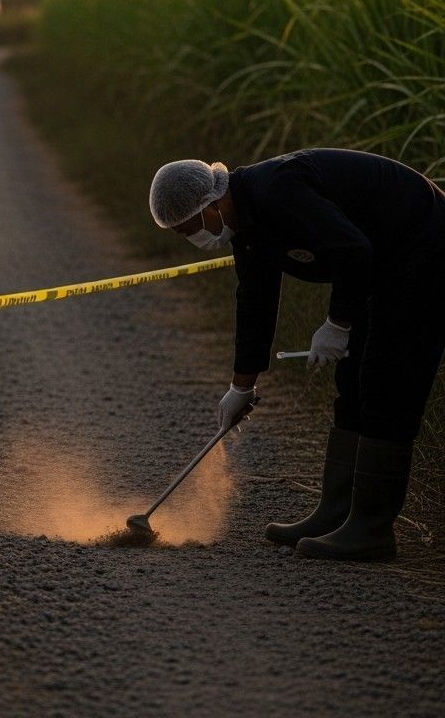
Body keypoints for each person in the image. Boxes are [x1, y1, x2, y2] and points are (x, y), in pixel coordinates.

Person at [148, 149, 445, 562]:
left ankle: (371, 530)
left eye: (189, 228)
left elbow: (353, 249)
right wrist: (241, 387)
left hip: (425, 247)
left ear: (211, 205)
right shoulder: (246, 225)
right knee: (353, 380)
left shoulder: (278, 192)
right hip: (384, 266)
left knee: (385, 380)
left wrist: (338, 325)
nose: (191, 239)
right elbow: (255, 301)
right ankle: (335, 512)